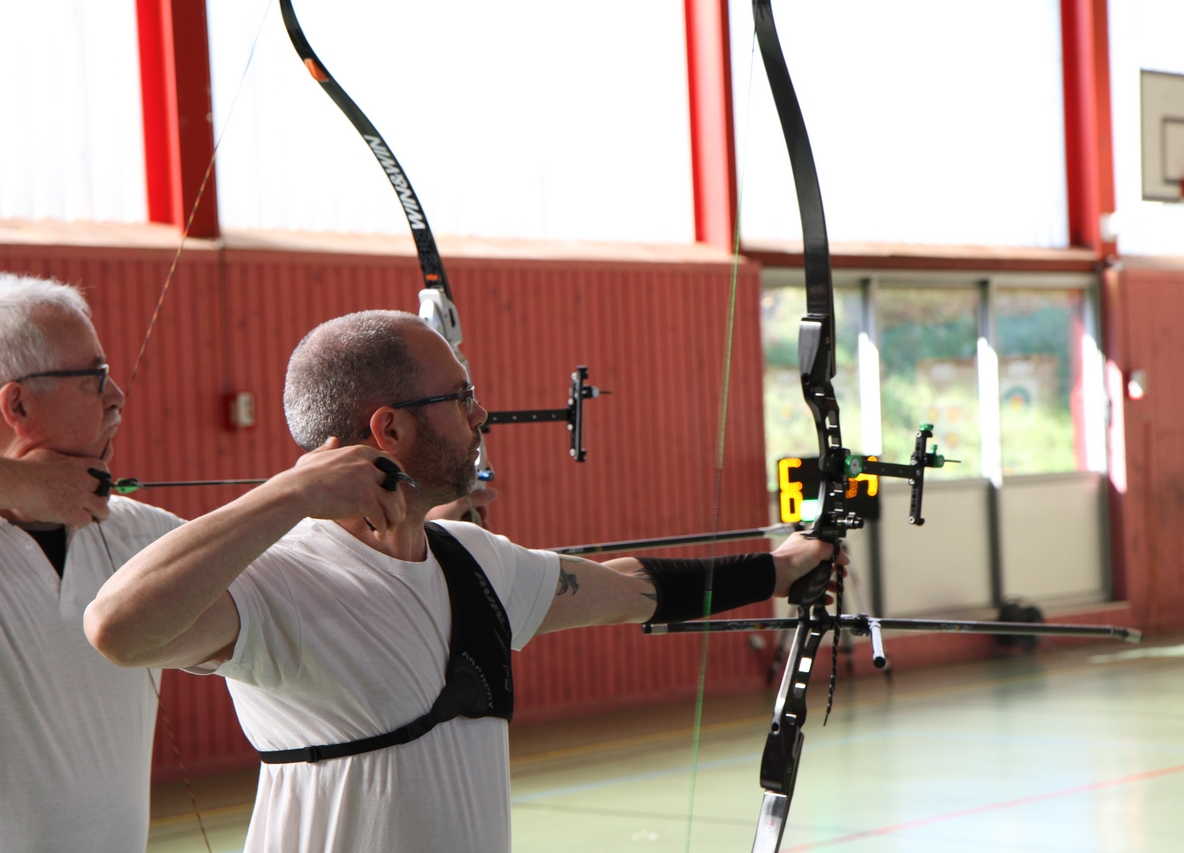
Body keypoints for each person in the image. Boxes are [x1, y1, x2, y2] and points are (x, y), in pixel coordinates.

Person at [85, 309, 845, 853]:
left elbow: (631, 589)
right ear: (389, 430)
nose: (481, 413)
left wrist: (779, 566)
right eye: (458, 396)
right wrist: (289, 493)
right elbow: (116, 627)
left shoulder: (473, 559)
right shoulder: (279, 580)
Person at [0, 274, 184, 851]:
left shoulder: (139, 533)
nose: (116, 397)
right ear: (18, 403)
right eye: (93, 378)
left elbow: (300, 572)